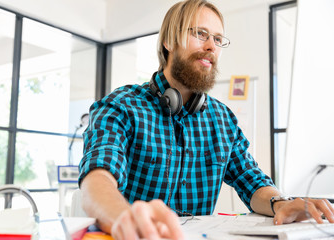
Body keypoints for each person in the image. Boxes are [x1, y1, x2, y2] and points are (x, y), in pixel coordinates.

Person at [78, 0, 334, 239]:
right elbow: (97, 179)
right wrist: (125, 217)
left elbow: (252, 181)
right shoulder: (121, 105)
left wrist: (281, 203)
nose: (211, 46)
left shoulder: (222, 119)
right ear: (168, 40)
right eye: (200, 33)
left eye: (218, 38)